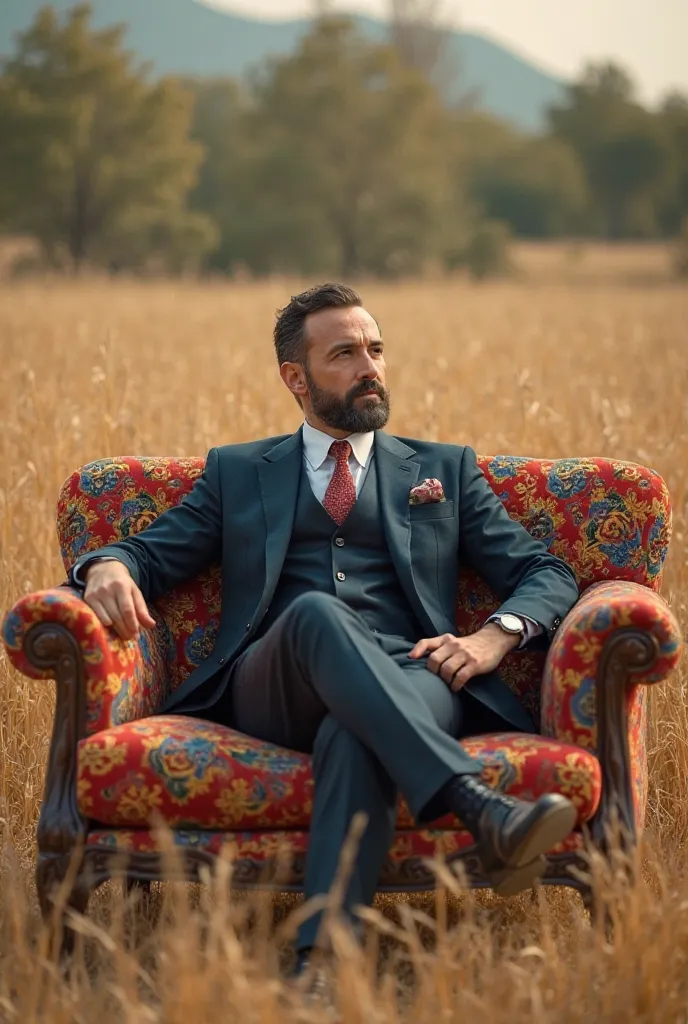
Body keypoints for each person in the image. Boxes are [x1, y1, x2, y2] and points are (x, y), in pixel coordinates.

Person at [71, 283, 579, 976]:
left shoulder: (443, 471)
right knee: (314, 612)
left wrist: (494, 637)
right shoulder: (239, 472)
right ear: (296, 377)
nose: (369, 366)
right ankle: (474, 803)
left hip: (414, 675)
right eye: (344, 353)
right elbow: (151, 554)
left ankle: (321, 965)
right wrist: (104, 565)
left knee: (354, 735)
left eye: (375, 349)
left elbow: (545, 571)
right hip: (277, 683)